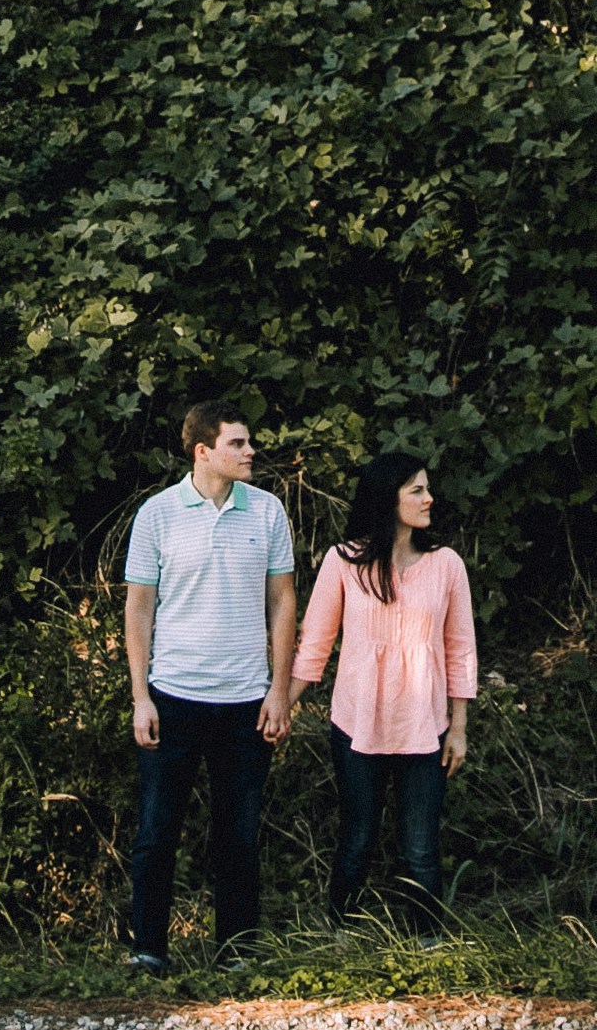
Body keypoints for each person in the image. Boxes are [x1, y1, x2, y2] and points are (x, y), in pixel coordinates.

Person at [120, 397, 296, 970]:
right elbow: (139, 608)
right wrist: (140, 696)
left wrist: (279, 690)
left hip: (246, 700)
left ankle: (236, 954)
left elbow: (282, 601)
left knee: (238, 835)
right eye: (237, 443)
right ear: (203, 451)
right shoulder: (157, 514)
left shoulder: (267, 511)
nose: (250, 451)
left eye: (248, 441)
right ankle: (148, 951)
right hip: (172, 697)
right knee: (157, 831)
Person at [293, 449, 476, 932]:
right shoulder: (343, 562)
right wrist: (282, 705)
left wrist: (458, 727)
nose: (429, 498)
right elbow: (315, 643)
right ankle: (342, 938)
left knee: (420, 847)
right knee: (357, 840)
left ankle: (427, 945)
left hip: (425, 727)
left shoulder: (446, 565)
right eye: (417, 490)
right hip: (357, 724)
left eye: (427, 488)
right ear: (386, 498)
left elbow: (460, 648)